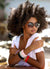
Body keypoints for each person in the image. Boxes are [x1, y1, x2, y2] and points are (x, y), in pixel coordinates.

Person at [7, 1, 48, 69]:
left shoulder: (36, 39)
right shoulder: (15, 40)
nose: (34, 27)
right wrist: (29, 49)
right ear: (23, 24)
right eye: (30, 24)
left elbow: (41, 66)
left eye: (36, 24)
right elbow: (11, 62)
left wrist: (18, 53)